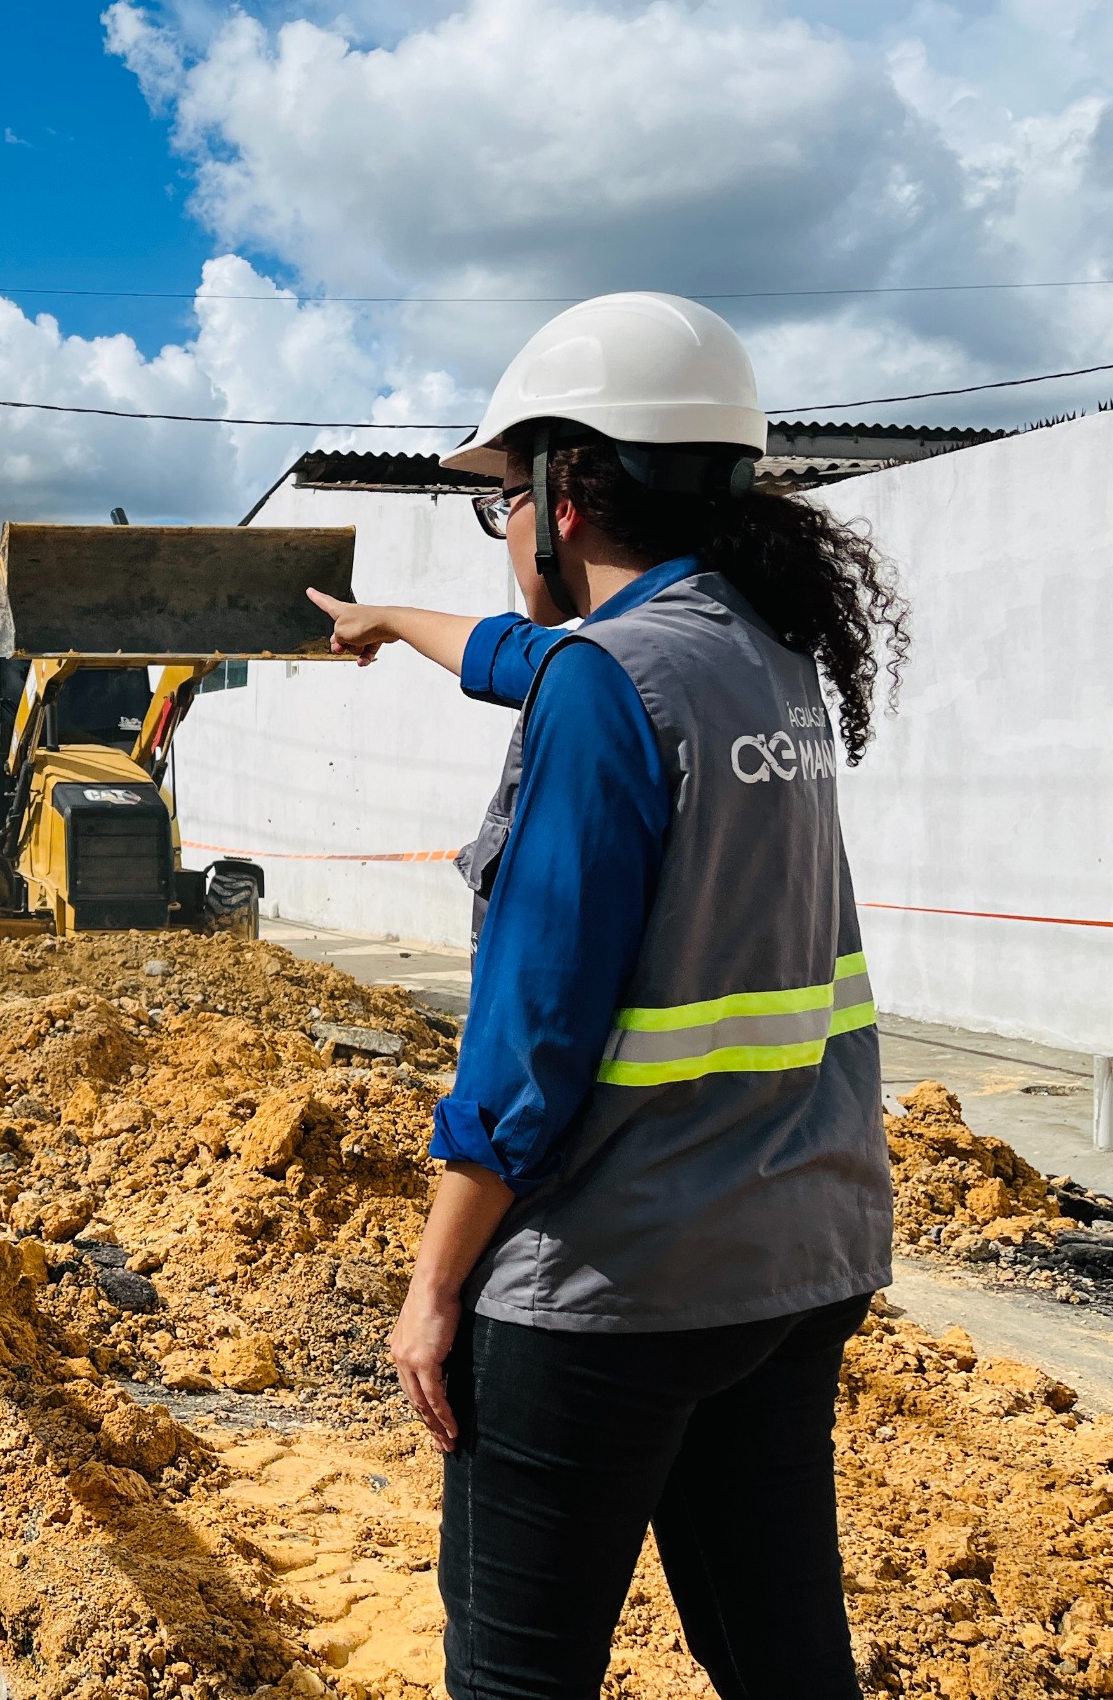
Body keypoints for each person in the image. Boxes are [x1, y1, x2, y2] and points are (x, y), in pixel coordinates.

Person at [309, 293, 905, 1700]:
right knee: (780, 1656)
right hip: (791, 1261)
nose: (503, 525)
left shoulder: (608, 683)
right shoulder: (760, 654)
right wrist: (393, 618)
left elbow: (530, 1050)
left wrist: (434, 1287)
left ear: (567, 494)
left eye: (502, 497)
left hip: (611, 1292)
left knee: (519, 1675)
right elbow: (531, 658)